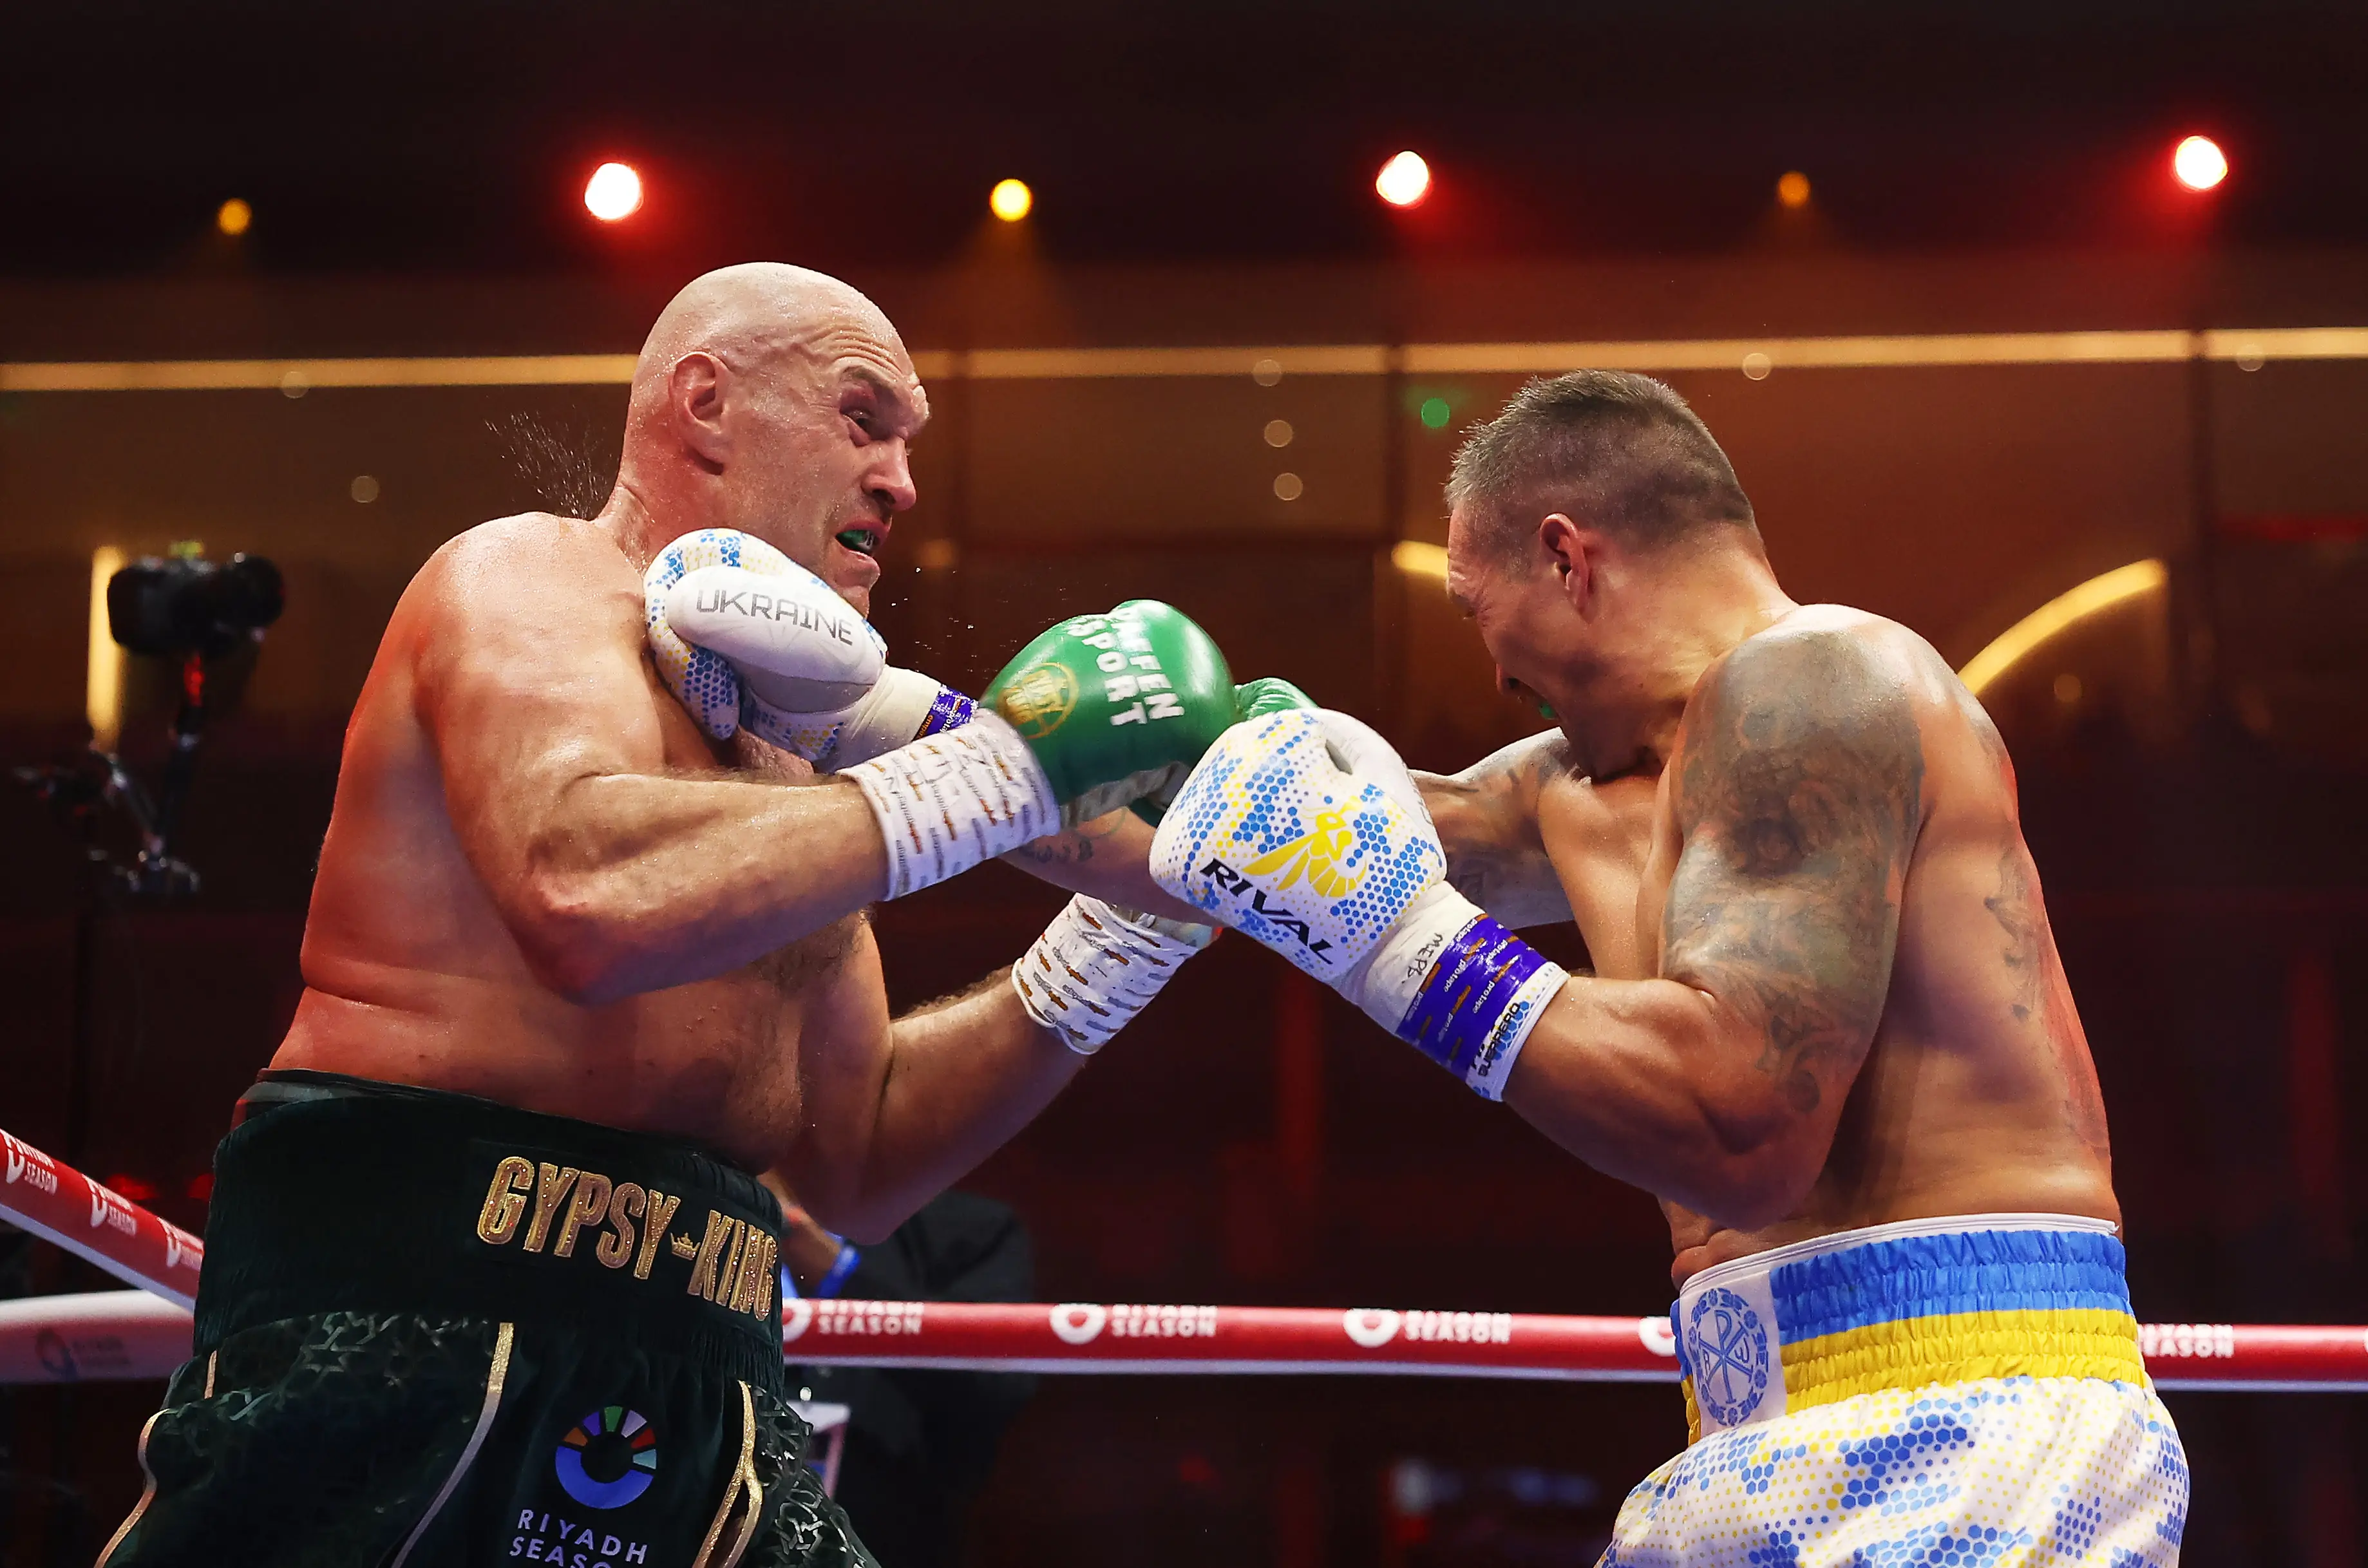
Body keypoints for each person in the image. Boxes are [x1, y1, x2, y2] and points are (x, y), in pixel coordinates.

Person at [97, 263, 1260, 1568]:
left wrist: (1131, 927)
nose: (901, 480)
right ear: (705, 400)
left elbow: (855, 1149)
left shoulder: (791, 762)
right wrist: (999, 773)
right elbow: (585, 891)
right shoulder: (530, 577)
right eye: (862, 418)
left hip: (705, 1368)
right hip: (411, 1315)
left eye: (908, 443)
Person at [1150, 372, 2188, 1565]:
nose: (1490, 673)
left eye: (1473, 605)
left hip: (1965, 1417)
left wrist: (1396, 938)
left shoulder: (1821, 683)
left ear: (1566, 560)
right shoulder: (1584, 786)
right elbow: (1276, 852)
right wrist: (970, 762)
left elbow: (1739, 1127)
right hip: (1750, 1428)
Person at [768, 1180, 1036, 1568]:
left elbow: (997, 1389)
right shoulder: (700, 1211)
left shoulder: (971, 1231)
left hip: (888, 1531)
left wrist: (842, 1278)